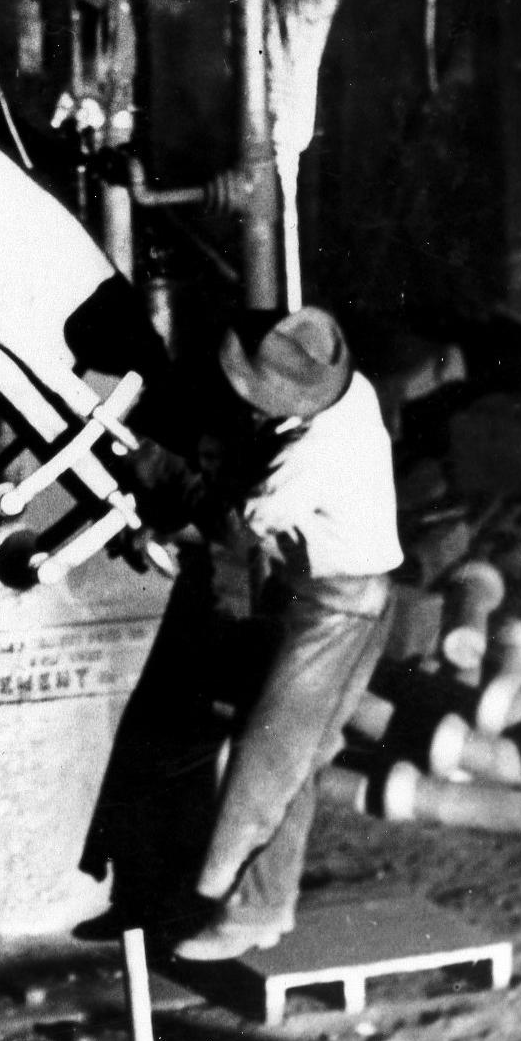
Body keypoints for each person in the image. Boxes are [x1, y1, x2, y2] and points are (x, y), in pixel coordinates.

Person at [174, 306, 400, 962]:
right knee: (294, 759)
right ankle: (261, 905)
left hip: (338, 609)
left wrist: (170, 485)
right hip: (339, 595)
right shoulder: (348, 391)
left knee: (266, 755)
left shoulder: (308, 455)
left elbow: (243, 522)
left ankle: (239, 904)